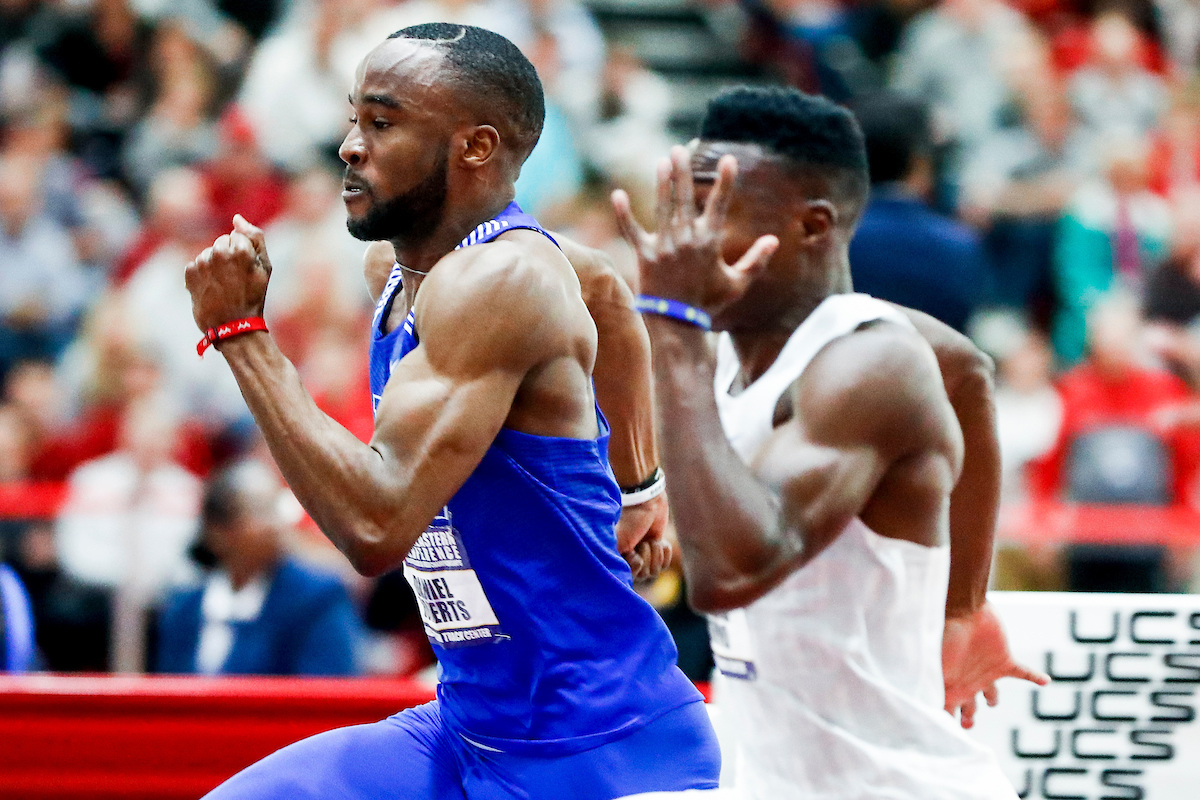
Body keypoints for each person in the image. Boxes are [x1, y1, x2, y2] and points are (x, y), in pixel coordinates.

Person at [184, 23, 715, 800]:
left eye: (383, 122)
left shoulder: (502, 284)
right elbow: (604, 291)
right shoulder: (410, 269)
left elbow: (375, 527)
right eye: (353, 118)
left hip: (592, 750)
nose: (349, 146)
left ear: (474, 147)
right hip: (467, 727)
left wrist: (242, 337)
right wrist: (639, 487)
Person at [612, 86, 1046, 799]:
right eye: (686, 207)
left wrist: (674, 329)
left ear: (811, 226)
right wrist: (964, 607)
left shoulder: (869, 367)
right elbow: (970, 373)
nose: (684, 238)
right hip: (778, 778)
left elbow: (728, 575)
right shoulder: (732, 345)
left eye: (715, 211)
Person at [156, 459, 363, 676]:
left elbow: (325, 693)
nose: (277, 524)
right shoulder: (184, 609)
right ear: (218, 533)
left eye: (277, 508)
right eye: (261, 511)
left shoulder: (319, 598)